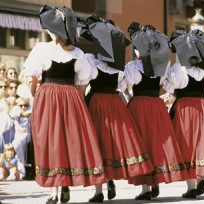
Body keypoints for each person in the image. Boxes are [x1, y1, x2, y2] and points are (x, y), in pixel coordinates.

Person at [23, 5, 106, 204]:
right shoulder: (78, 53)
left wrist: (37, 95)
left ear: (54, 32)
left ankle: (54, 192)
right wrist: (76, 97)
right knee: (68, 140)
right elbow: (84, 81)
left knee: (51, 140)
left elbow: (31, 77)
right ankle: (65, 184)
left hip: (48, 96)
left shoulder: (41, 49)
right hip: (70, 96)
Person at [79, 16, 154, 202]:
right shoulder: (118, 67)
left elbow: (83, 82)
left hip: (96, 101)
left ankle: (99, 191)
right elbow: (121, 86)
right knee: (111, 142)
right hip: (114, 102)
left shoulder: (90, 60)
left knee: (98, 143)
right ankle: (110, 180)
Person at [119, 22, 189, 200]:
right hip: (156, 105)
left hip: (139, 105)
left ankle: (145, 188)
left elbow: (124, 85)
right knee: (156, 143)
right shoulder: (162, 66)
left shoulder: (134, 67)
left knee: (142, 144)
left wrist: (130, 93)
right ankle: (155, 182)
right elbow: (166, 87)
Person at [164, 28, 204, 198]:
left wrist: (180, 97)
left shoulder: (179, 68)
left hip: (185, 107)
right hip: (202, 105)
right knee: (201, 141)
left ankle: (192, 186)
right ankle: (199, 180)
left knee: (186, 143)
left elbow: (171, 88)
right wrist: (203, 98)